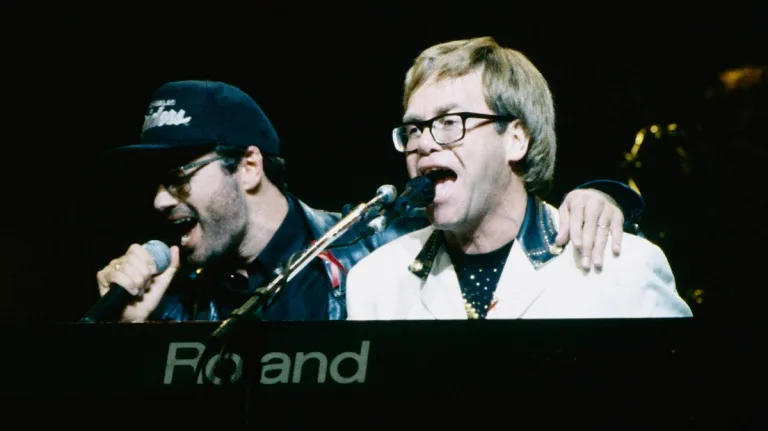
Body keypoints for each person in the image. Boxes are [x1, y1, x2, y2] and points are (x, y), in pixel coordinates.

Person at [94, 79, 646, 323]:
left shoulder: (374, 247)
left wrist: (606, 196)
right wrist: (130, 343)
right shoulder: (179, 298)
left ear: (250, 166)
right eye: (414, 129)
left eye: (179, 177)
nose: (161, 201)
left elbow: (496, 211)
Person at [345, 37, 693, 320]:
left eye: (449, 122)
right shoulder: (376, 282)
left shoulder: (622, 267)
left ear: (516, 139)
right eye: (413, 129)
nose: (422, 143)